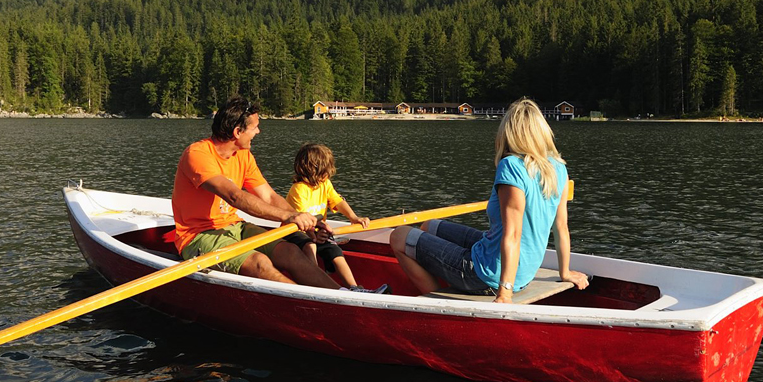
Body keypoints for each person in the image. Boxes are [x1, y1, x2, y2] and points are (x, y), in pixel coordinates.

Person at [389, 97, 589, 302]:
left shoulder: (512, 166)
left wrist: (505, 293)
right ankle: (451, 275)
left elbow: (513, 234)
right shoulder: (559, 168)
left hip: (487, 277)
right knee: (428, 226)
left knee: (399, 235)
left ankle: (437, 301)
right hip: (522, 272)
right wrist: (565, 272)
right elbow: (561, 227)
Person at [169, 97, 335, 287]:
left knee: (291, 252)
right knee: (260, 263)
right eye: (255, 127)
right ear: (237, 132)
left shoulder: (243, 155)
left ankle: (343, 296)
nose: (258, 131)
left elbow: (269, 196)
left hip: (235, 227)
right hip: (197, 236)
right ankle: (313, 305)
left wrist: (301, 218)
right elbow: (235, 196)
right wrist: (287, 217)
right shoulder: (197, 154)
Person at [286, 143, 381, 291]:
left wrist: (353, 217)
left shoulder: (325, 184)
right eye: (326, 170)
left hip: (318, 230)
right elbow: (304, 222)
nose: (329, 174)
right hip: (296, 232)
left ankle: (354, 288)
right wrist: (315, 236)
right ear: (315, 170)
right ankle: (315, 283)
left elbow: (337, 201)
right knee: (310, 245)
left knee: (335, 251)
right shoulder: (298, 190)